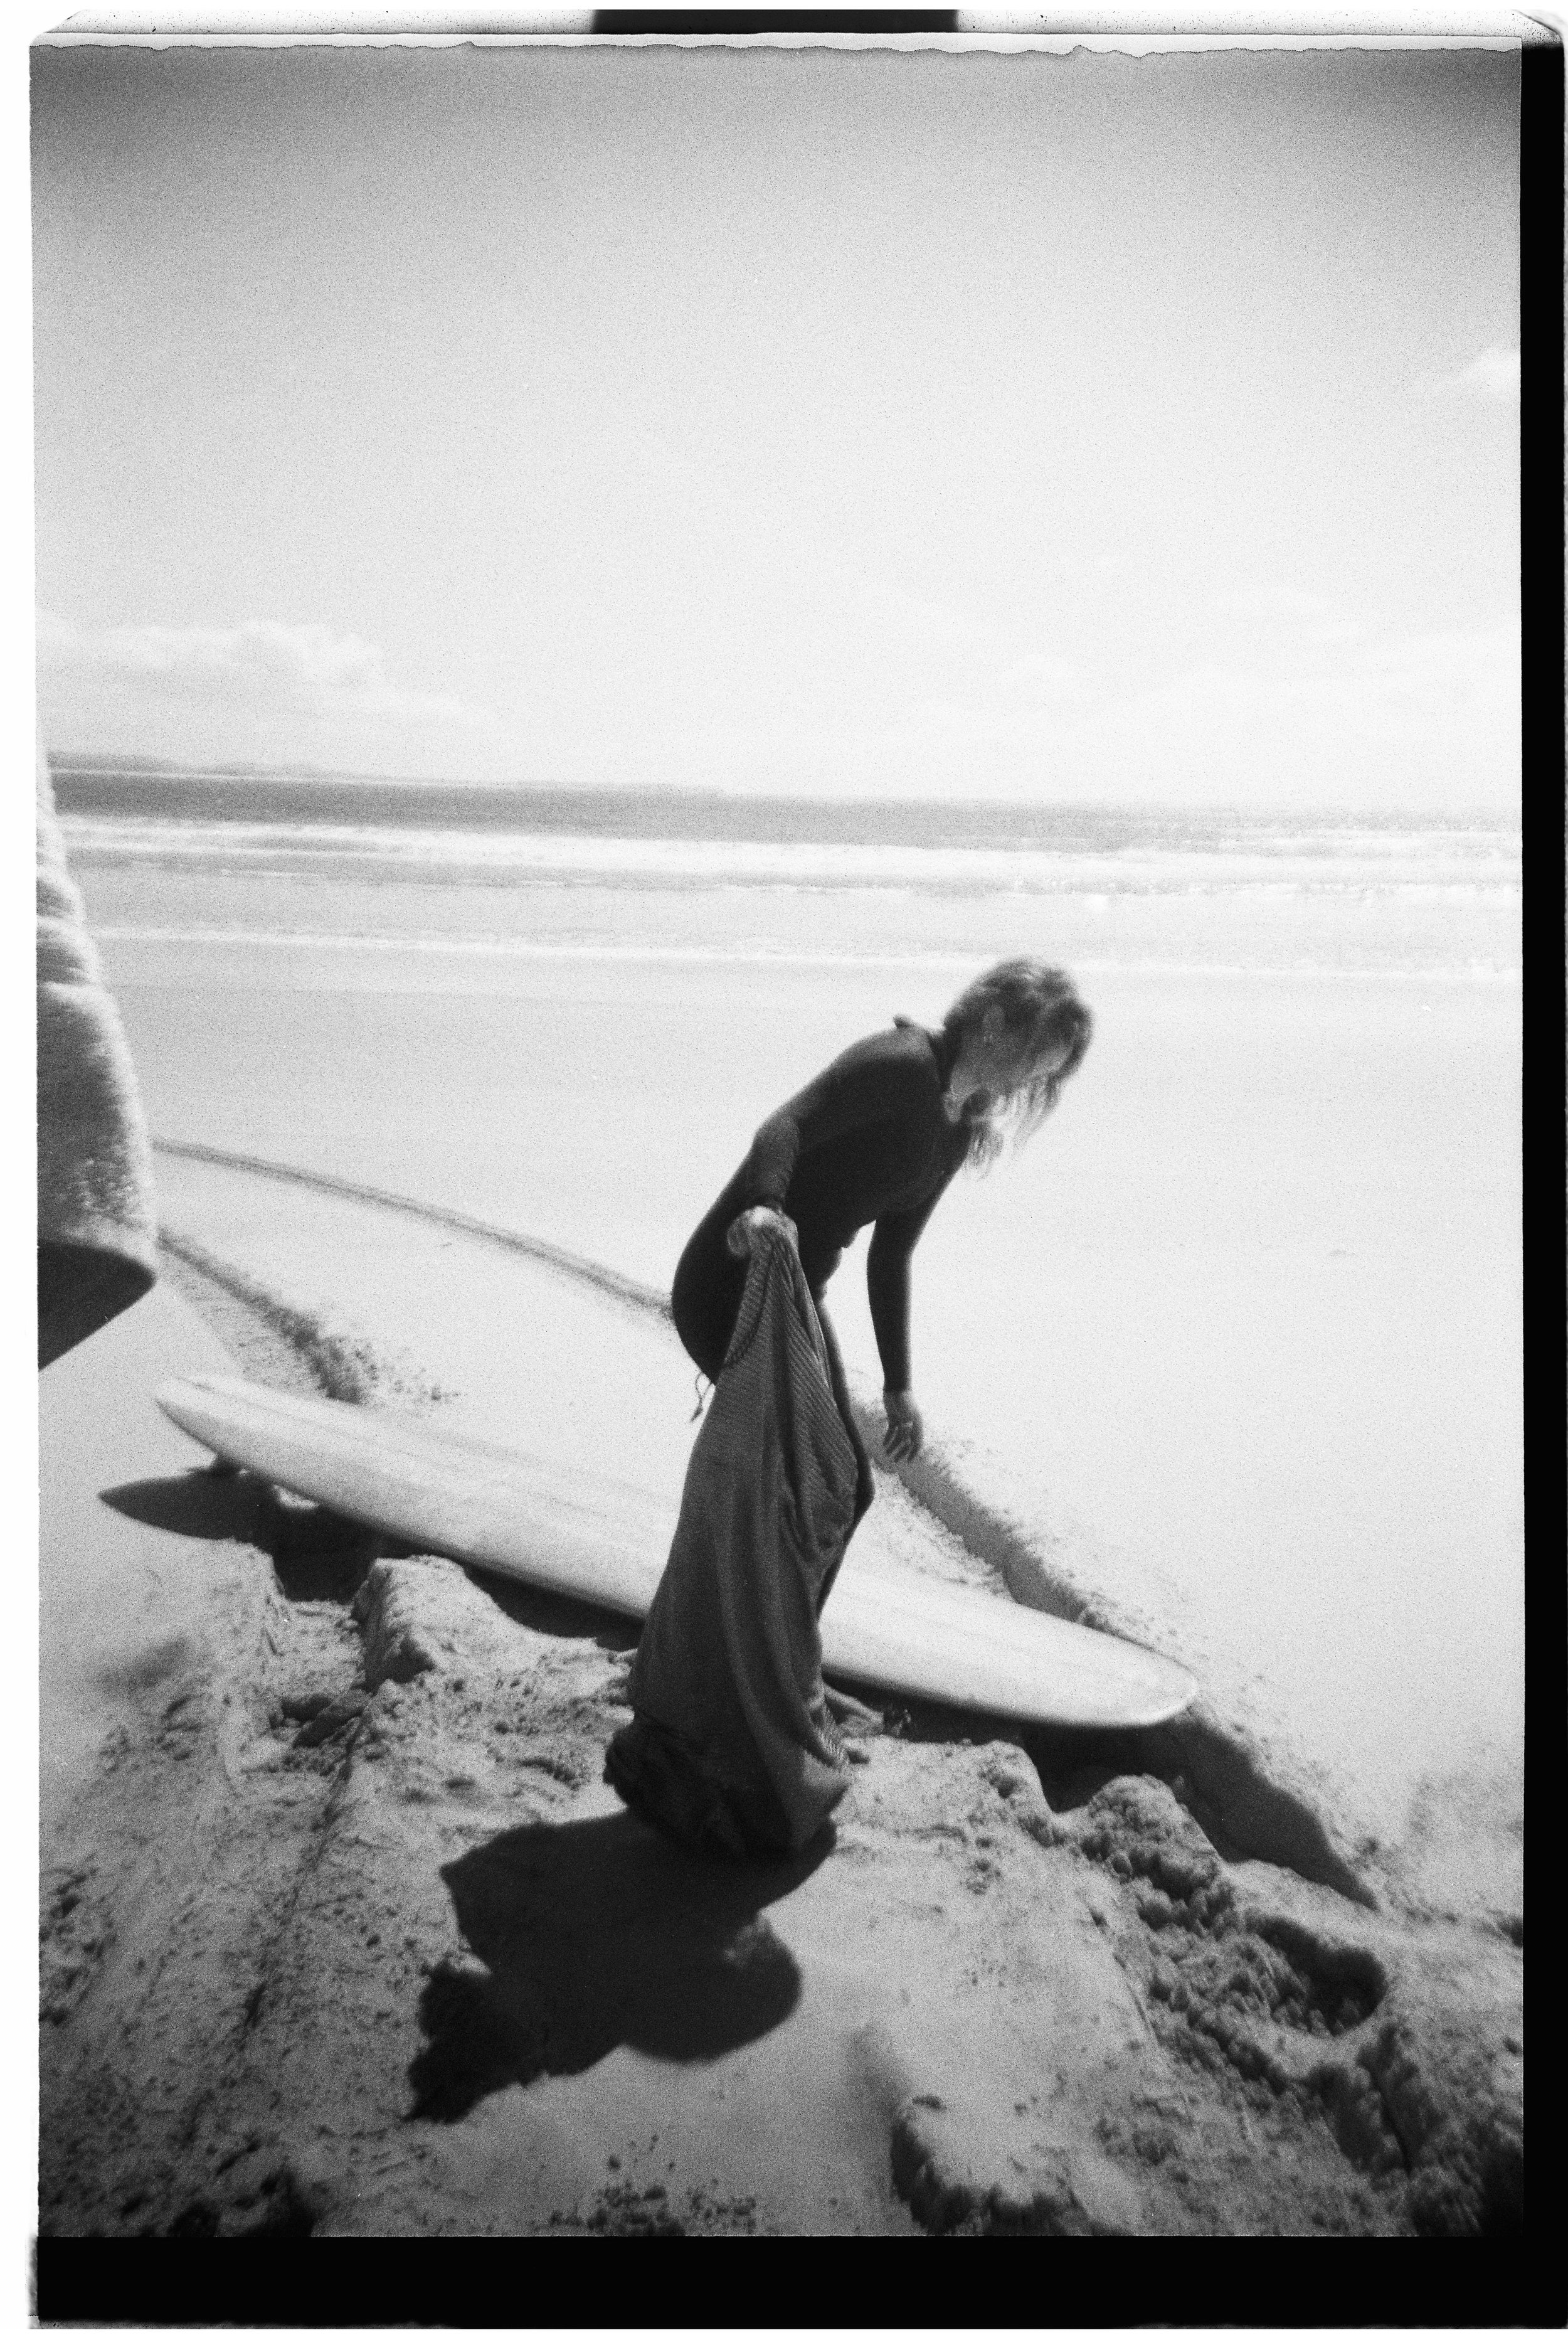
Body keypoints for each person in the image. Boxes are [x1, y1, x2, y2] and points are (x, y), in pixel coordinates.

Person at [670, 957, 1093, 1536]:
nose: (1028, 1084)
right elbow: (784, 1127)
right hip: (732, 1280)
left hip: (793, 1301)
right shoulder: (900, 1064)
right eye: (1031, 1061)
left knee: (844, 1489)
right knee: (815, 1479)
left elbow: (892, 1257)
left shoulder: (955, 1127)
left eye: (1045, 1076)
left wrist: (899, 1386)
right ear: (993, 1021)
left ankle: (751, 1617)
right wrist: (767, 1206)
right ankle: (736, 1614)